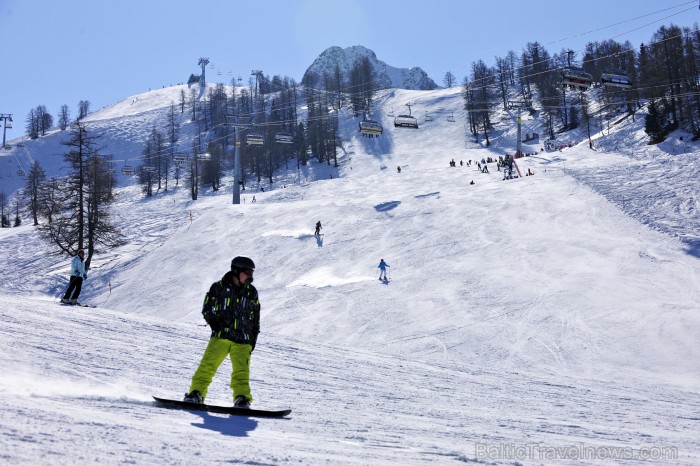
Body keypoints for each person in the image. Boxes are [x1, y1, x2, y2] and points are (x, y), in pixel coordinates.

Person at [183, 256, 261, 408]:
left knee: (242, 372)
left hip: (243, 339)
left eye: (252, 273)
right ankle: (196, 394)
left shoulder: (252, 292)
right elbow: (207, 308)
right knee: (207, 366)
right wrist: (215, 324)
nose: (251, 276)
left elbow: (255, 317)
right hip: (221, 337)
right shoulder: (218, 288)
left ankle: (242, 398)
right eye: (248, 272)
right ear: (236, 271)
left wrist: (253, 338)